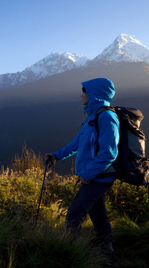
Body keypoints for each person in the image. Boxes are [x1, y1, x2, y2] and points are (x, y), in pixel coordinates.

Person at [45, 78, 119, 258]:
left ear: (94, 94)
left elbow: (109, 153)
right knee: (97, 212)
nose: (81, 95)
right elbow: (77, 143)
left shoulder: (107, 117)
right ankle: (107, 249)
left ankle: (69, 251)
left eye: (84, 92)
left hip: (99, 177)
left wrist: (86, 174)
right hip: (94, 176)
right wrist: (56, 155)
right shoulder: (92, 118)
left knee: (74, 212)